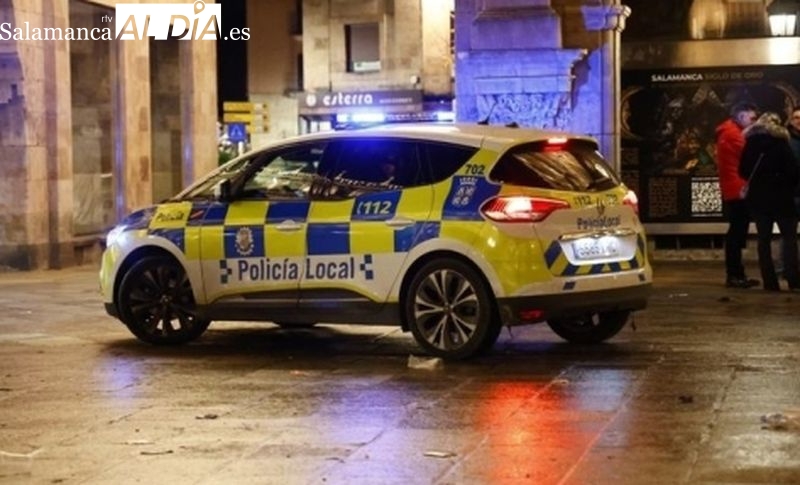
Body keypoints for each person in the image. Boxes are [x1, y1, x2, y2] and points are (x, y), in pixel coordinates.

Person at [738, 112, 800, 292]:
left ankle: (769, 282)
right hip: (782, 198)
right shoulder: (781, 143)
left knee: (763, 240)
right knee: (789, 238)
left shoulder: (750, 143)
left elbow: (742, 171)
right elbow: (793, 171)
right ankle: (793, 280)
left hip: (758, 199)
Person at [715, 102, 759, 288]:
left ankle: (736, 273)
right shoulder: (734, 135)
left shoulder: (728, 133)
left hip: (734, 188)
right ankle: (734, 275)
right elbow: (751, 155)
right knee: (736, 232)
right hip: (739, 189)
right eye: (752, 118)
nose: (754, 122)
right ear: (741, 116)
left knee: (737, 231)